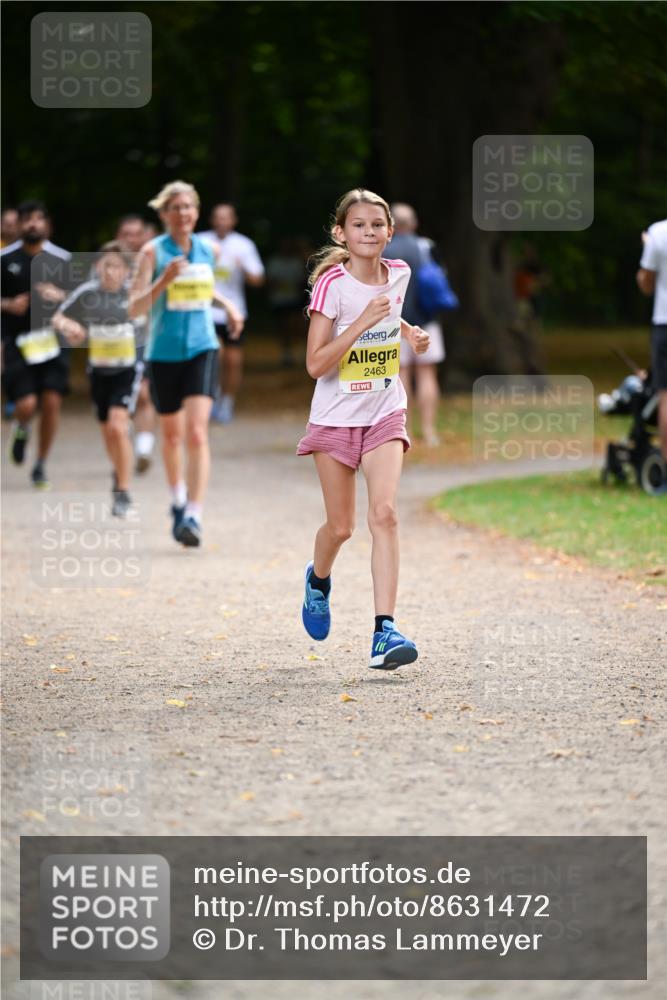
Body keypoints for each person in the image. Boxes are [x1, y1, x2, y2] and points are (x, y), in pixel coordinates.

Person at [297, 188, 430, 669]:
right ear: (341, 233)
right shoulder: (332, 285)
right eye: (359, 225)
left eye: (377, 224)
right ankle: (318, 581)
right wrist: (361, 324)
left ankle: (384, 631)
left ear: (390, 232)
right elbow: (316, 364)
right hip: (335, 416)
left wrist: (408, 332)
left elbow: (388, 315)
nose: (369, 232)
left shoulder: (400, 273)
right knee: (341, 527)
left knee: (385, 513)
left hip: (384, 410)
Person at [129, 181, 244, 546]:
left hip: (202, 347)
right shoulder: (151, 252)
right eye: (175, 207)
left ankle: (194, 514)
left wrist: (228, 306)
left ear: (197, 212)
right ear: (164, 214)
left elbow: (203, 287)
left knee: (196, 432)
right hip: (163, 353)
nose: (183, 213)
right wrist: (163, 281)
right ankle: (177, 498)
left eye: (188, 206)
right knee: (172, 435)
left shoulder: (210, 249)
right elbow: (134, 307)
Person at [53, 242, 141, 516]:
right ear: (97, 266)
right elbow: (58, 317)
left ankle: (123, 491)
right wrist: (71, 326)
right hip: (99, 370)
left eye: (116, 266)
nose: (110, 271)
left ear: (126, 271)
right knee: (108, 432)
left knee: (117, 426)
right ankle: (119, 470)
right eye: (106, 265)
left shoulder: (134, 294)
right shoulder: (88, 292)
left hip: (127, 369)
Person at [1, 201, 71, 488]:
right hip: (18, 341)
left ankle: (41, 464)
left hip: (54, 341)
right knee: (27, 404)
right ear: (18, 225)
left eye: (38, 219)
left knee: (52, 402)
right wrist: (7, 304)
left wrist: (60, 296)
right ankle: (21, 427)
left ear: (47, 225)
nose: (32, 224)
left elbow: (84, 299)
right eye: (27, 219)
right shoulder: (4, 259)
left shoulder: (63, 259)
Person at [385, 203, 446, 447]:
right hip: (426, 320)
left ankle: (405, 430)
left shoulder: (383, 249)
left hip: (394, 323)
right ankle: (430, 432)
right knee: (427, 373)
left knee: (400, 376)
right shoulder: (426, 246)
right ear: (414, 223)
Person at [199, 203, 265, 422]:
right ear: (211, 220)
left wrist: (243, 267)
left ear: (233, 220)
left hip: (234, 312)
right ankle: (213, 396)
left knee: (233, 361)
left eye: (225, 217)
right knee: (215, 355)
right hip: (206, 311)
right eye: (217, 217)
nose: (221, 222)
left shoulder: (243, 245)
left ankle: (227, 401)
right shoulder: (200, 241)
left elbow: (258, 279)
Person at [115, 214, 156, 473]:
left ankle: (144, 448)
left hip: (146, 339)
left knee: (144, 392)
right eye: (126, 234)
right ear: (118, 236)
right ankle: (122, 443)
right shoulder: (105, 264)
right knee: (120, 399)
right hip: (113, 343)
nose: (131, 239)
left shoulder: (154, 264)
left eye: (136, 234)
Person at [637, 218, 667, 494]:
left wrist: (649, 249)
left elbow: (646, 284)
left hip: (664, 323)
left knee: (666, 398)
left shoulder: (659, 233)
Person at [266, 237, 309, 367]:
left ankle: (302, 352)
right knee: (283, 327)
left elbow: (302, 280)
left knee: (296, 325)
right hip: (279, 300)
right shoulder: (274, 262)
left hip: (294, 299)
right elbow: (269, 281)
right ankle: (286, 353)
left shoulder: (296, 262)